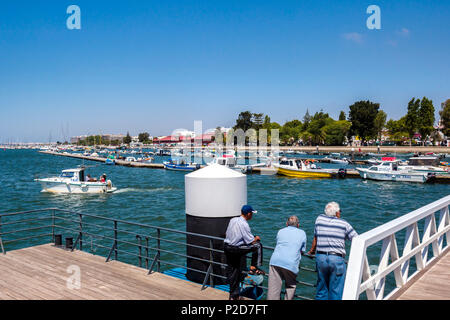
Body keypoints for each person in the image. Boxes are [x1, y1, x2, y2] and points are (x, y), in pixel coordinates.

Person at [308, 202, 358, 300]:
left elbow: (315, 238)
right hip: (336, 259)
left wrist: (311, 251)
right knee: (336, 290)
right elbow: (357, 239)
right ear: (337, 213)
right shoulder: (344, 224)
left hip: (321, 258)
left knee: (321, 289)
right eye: (340, 211)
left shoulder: (319, 219)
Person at [223, 205, 264, 300]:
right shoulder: (244, 224)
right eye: (252, 214)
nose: (252, 216)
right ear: (249, 214)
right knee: (258, 245)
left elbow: (229, 233)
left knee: (234, 272)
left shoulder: (233, 220)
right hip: (235, 249)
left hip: (227, 247)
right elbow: (251, 241)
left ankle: (233, 296)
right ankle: (254, 266)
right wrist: (256, 238)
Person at [267, 215, 307, 300]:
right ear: (298, 225)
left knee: (273, 290)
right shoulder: (302, 233)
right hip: (291, 263)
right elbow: (302, 250)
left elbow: (278, 243)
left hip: (275, 261)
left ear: (286, 224)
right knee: (290, 287)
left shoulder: (280, 231)